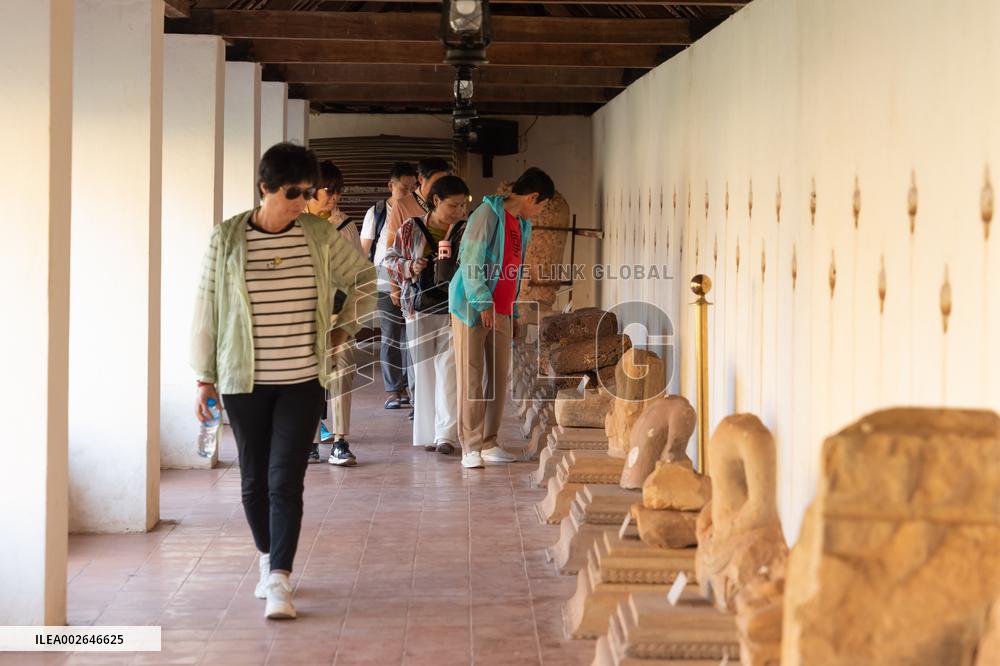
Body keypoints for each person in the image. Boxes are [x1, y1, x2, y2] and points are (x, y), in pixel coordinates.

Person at [191, 143, 375, 619]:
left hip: (302, 378)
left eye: (309, 192)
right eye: (294, 192)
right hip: (242, 380)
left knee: (285, 480)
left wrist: (343, 326)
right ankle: (267, 557)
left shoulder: (317, 234)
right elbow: (206, 309)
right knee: (253, 479)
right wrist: (204, 379)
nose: (303, 201)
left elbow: (365, 279)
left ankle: (280, 579)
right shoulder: (226, 239)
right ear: (265, 188)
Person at [449, 168, 555, 469]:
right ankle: (470, 446)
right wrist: (483, 302)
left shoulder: (522, 224)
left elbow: (514, 270)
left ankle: (489, 442)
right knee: (472, 376)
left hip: (503, 308)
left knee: (498, 377)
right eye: (542, 205)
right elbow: (471, 260)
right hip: (472, 305)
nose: (540, 211)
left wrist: (514, 309)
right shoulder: (486, 214)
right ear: (533, 197)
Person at [383, 176, 470, 454]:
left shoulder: (466, 231)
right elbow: (390, 260)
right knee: (423, 372)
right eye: (453, 206)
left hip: (454, 309)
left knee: (450, 369)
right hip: (418, 307)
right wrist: (411, 266)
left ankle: (446, 435)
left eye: (463, 206)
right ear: (436, 201)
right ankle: (428, 434)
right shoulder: (411, 228)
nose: (459, 212)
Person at [305, 160, 364, 466]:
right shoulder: (293, 222)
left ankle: (340, 441)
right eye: (328, 190)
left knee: (341, 374)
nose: (333, 197)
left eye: (338, 191)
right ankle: (311, 442)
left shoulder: (345, 227)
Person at [384, 157, 452, 420]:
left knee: (445, 361)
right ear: (422, 180)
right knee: (416, 355)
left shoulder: (455, 211)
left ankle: (440, 414)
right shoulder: (404, 206)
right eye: (437, 180)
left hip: (448, 296)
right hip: (415, 292)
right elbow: (393, 249)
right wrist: (396, 286)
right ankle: (417, 403)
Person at [360, 162, 418, 412]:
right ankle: (394, 389)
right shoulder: (377, 212)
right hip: (385, 279)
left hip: (413, 277)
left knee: (412, 334)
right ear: (390, 186)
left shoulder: (418, 210)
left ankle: (410, 387)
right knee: (392, 334)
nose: (408, 192)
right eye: (403, 188)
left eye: (413, 187)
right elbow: (364, 249)